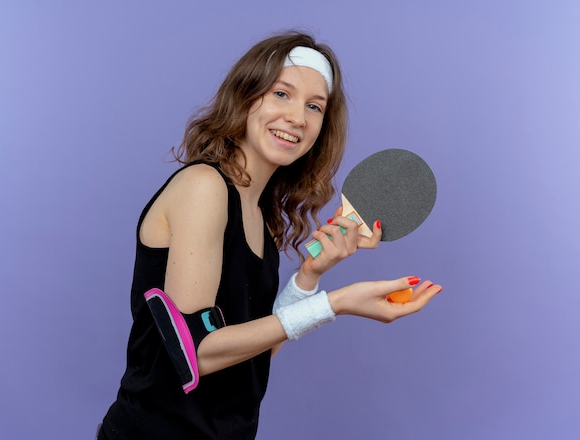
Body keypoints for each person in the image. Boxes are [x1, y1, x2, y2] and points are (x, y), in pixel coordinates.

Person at [97, 31, 442, 440]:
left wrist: (309, 279)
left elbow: (253, 352)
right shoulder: (203, 187)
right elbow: (198, 351)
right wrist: (336, 303)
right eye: (282, 94)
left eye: (314, 106)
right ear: (246, 96)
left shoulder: (260, 218)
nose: (298, 117)